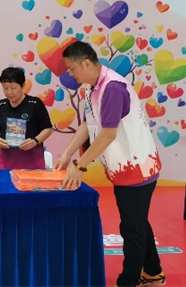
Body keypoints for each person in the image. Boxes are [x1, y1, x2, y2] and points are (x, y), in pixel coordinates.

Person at [54, 41, 165, 287]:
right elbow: (88, 124)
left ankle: (128, 281)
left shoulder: (112, 87)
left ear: (86, 63)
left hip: (137, 168)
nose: (70, 74)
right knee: (137, 221)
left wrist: (80, 167)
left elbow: (107, 134)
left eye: (72, 68)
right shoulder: (91, 88)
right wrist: (67, 154)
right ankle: (154, 272)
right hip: (123, 168)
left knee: (132, 228)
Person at [0, 67, 53, 169]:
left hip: (33, 163)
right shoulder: (0, 105)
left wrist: (35, 141)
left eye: (13, 88)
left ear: (23, 86)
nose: (9, 92)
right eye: (5, 88)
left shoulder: (35, 104)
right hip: (7, 163)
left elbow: (48, 129)